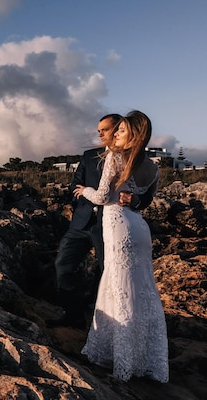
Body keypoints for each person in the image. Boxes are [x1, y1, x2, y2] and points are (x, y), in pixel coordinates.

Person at [74, 110, 169, 382]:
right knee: (142, 291)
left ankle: (123, 360)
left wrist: (84, 191)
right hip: (139, 228)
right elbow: (145, 199)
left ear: (134, 135)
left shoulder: (115, 157)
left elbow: (103, 196)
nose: (115, 134)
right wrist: (136, 203)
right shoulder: (153, 167)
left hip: (118, 226)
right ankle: (145, 357)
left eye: (121, 130)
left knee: (120, 289)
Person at [48, 114, 154, 328]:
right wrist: (80, 200)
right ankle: (73, 314)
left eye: (105, 129)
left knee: (111, 272)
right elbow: (74, 185)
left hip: (112, 225)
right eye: (99, 130)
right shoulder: (89, 156)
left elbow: (147, 196)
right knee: (63, 265)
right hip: (81, 223)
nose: (100, 134)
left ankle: (105, 317)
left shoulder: (133, 159)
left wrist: (135, 200)